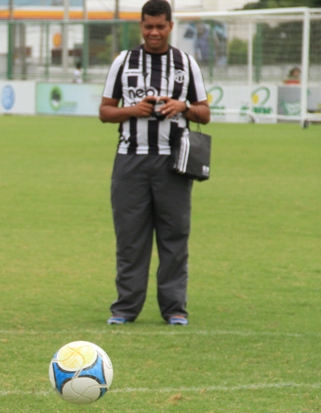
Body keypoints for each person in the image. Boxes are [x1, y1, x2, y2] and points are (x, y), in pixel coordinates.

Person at [99, 0, 210, 326]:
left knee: (174, 237)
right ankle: (125, 309)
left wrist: (182, 107)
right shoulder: (124, 61)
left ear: (170, 26)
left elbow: (204, 112)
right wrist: (134, 110)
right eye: (148, 26)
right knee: (130, 238)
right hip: (130, 160)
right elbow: (105, 111)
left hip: (174, 163)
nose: (154, 32)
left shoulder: (186, 63)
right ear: (141, 25)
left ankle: (175, 308)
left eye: (160, 26)